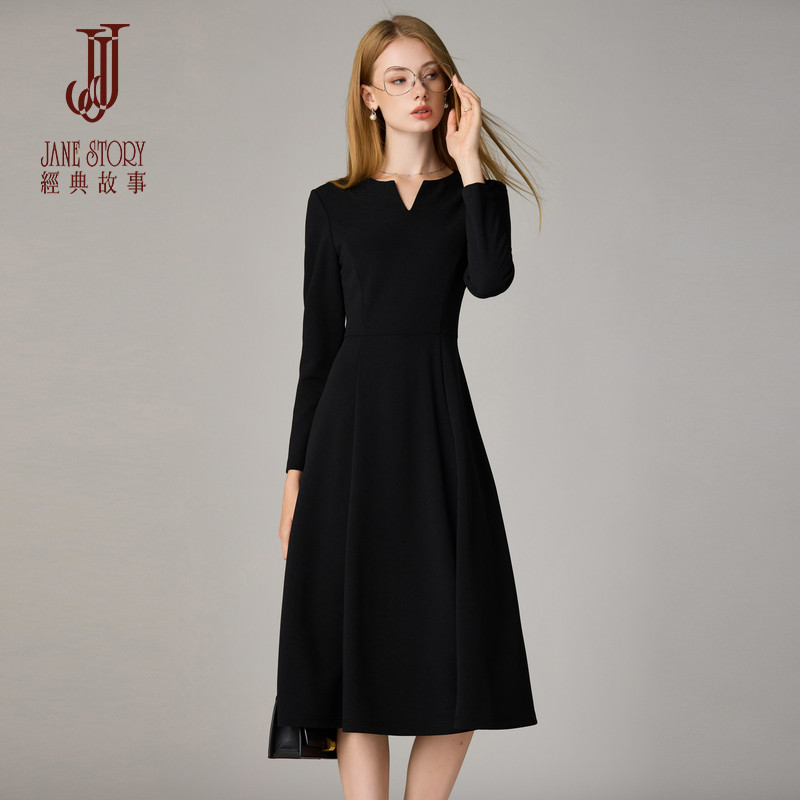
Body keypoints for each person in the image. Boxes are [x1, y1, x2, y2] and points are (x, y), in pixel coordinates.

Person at [276, 14, 543, 800]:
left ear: (451, 88)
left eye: (430, 75)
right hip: (349, 440)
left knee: (461, 660)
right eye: (397, 78)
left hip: (436, 429)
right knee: (355, 660)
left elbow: (490, 281)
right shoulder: (333, 205)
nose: (417, 91)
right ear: (369, 97)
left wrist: (471, 163)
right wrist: (294, 475)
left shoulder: (470, 198)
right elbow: (317, 352)